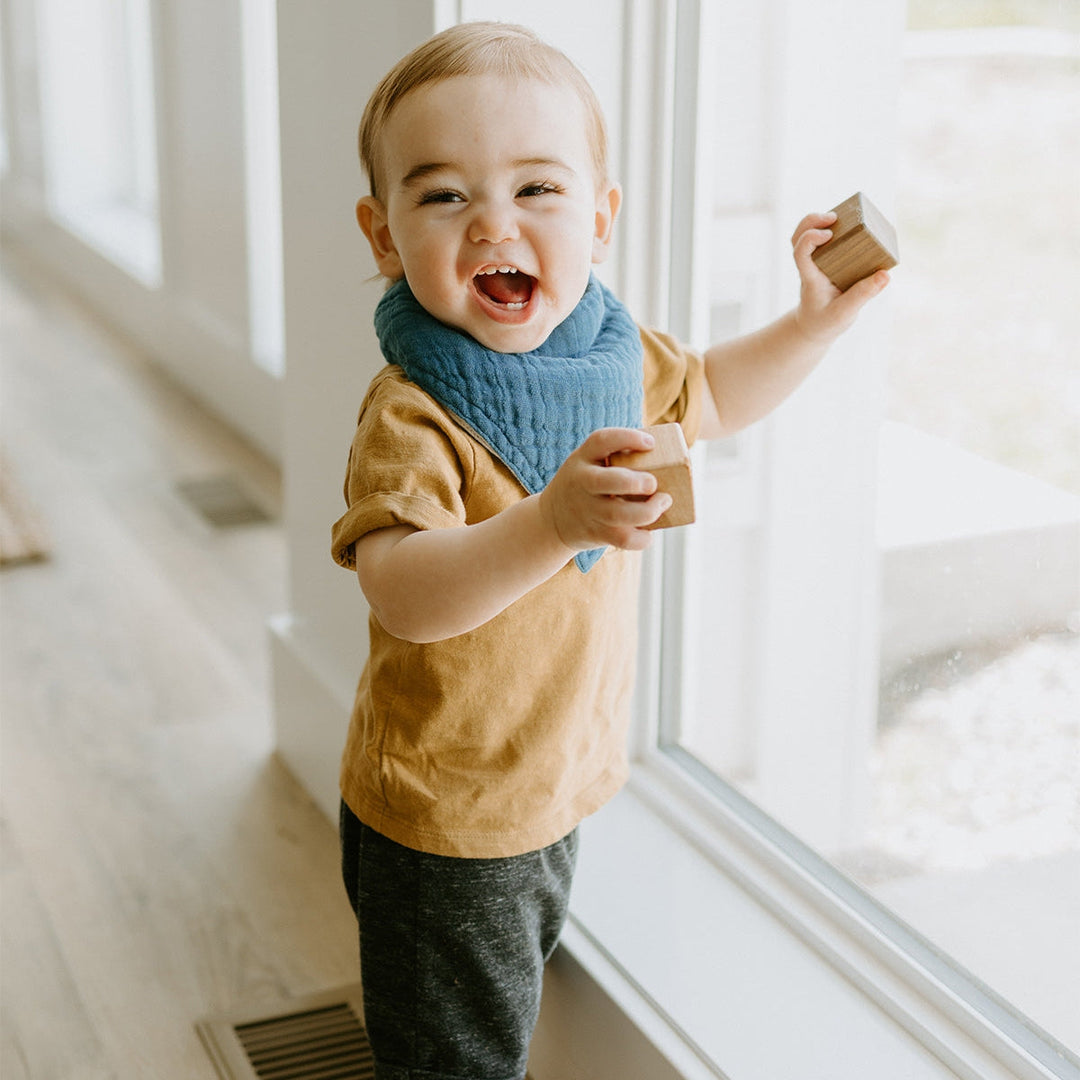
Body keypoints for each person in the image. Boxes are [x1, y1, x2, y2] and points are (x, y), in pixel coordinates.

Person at [331, 20, 889, 1080]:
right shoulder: (412, 411)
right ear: (383, 234)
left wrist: (812, 326)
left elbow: (714, 393)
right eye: (444, 195)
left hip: (548, 777)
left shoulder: (608, 350)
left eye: (537, 190)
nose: (494, 223)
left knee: (497, 1012)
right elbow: (403, 591)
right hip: (450, 813)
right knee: (453, 1056)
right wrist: (550, 522)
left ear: (601, 217)